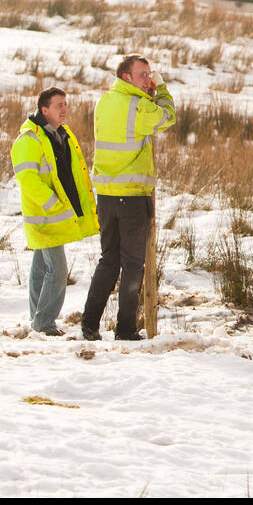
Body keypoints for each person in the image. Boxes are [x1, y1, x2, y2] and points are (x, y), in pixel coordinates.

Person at [79, 54, 176, 341]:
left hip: (106, 193)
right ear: (126, 78)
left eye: (150, 74)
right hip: (132, 195)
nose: (148, 79)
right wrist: (162, 88)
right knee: (133, 264)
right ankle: (125, 328)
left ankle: (89, 323)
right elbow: (168, 115)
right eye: (143, 74)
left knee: (108, 260)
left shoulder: (106, 101)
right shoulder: (137, 104)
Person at [11, 87, 99, 336]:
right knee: (57, 270)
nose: (64, 109)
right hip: (44, 216)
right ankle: (44, 323)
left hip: (56, 214)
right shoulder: (29, 139)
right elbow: (27, 179)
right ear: (44, 109)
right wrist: (51, 203)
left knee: (41, 268)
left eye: (66, 104)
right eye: (59, 105)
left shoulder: (61, 134)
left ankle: (37, 320)